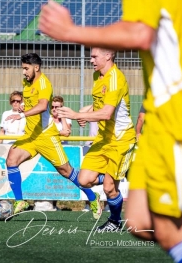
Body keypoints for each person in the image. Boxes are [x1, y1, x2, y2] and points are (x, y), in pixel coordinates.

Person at [38, 0, 182, 263]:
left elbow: (141, 33)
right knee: (140, 220)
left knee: (170, 227)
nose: (92, 58)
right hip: (167, 110)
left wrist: (72, 32)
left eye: (96, 54)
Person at [5, 53, 101, 218]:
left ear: (36, 67)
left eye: (26, 68)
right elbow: (30, 101)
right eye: (22, 68)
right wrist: (22, 105)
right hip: (31, 135)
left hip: (46, 136)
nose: (24, 72)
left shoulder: (44, 84)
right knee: (11, 160)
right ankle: (20, 201)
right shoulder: (26, 82)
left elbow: (42, 106)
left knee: (66, 172)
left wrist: (21, 115)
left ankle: (93, 197)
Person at [57, 47, 136, 231]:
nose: (90, 60)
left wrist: (77, 115)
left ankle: (115, 222)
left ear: (108, 55)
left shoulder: (116, 79)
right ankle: (118, 173)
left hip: (121, 140)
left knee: (109, 188)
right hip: (103, 139)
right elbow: (100, 104)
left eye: (94, 56)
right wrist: (87, 113)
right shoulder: (96, 76)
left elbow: (107, 113)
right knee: (84, 180)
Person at [35, 95, 72, 211]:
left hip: (61, 150)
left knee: (59, 177)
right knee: (45, 176)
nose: (55, 109)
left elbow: (67, 133)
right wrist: (58, 132)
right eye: (53, 106)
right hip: (48, 150)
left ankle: (55, 204)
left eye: (58, 107)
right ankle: (40, 202)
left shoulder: (66, 119)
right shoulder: (47, 119)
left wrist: (63, 117)